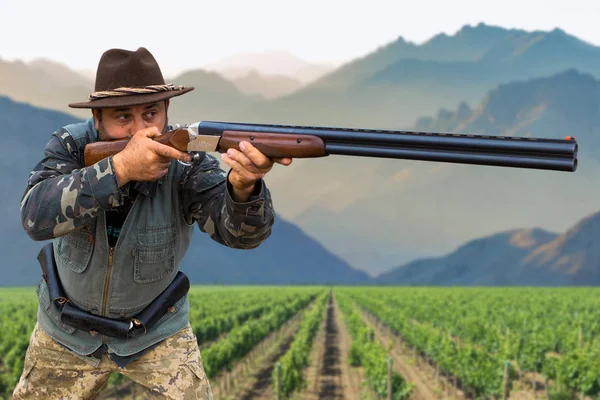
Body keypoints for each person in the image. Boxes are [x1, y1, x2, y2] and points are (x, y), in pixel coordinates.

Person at [13, 47, 292, 399]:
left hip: (157, 331)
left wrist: (243, 187)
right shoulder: (71, 145)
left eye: (150, 114)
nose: (141, 130)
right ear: (97, 119)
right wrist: (118, 170)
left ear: (166, 112)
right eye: (123, 117)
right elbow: (35, 216)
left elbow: (240, 236)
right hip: (66, 330)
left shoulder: (188, 160)